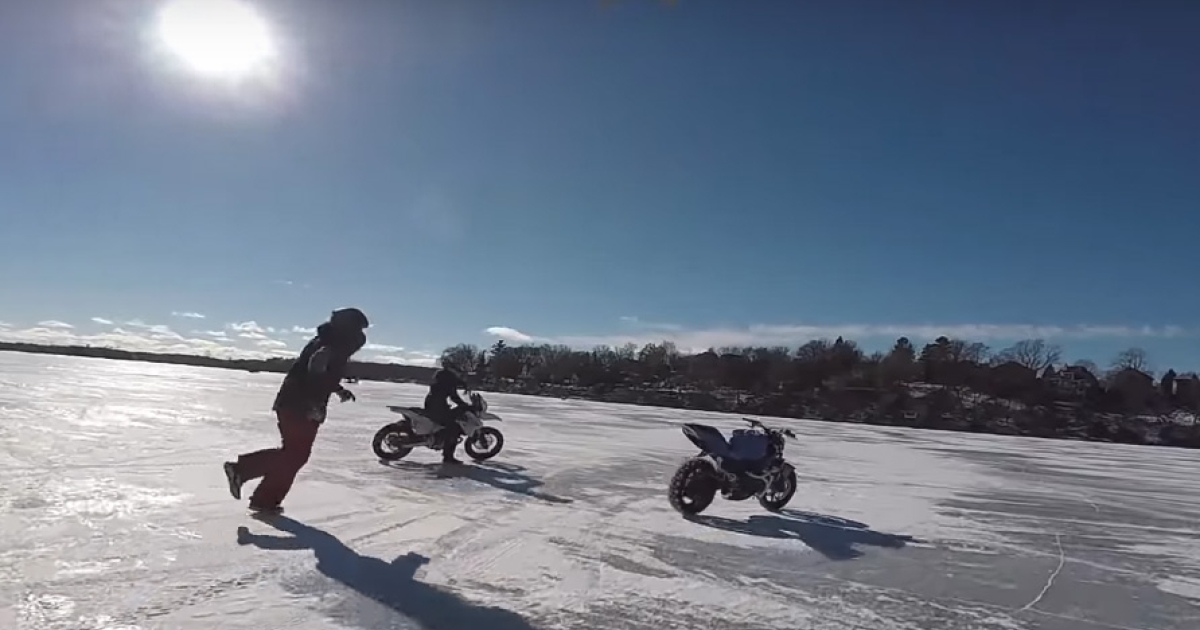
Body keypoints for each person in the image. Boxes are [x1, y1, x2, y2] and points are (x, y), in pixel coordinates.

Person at [223, 307, 370, 513]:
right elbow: (316, 367)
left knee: (294, 454)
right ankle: (244, 472)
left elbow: (320, 372)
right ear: (349, 330)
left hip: (293, 401)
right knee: (295, 454)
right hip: (300, 405)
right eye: (358, 331)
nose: (360, 338)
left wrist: (337, 389)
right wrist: (313, 403)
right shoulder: (334, 344)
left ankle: (264, 499)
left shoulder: (326, 340)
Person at [424, 367, 470, 465]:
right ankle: (448, 456)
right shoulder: (448, 385)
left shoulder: (438, 385)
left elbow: (455, 386)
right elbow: (454, 397)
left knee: (450, 422)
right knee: (454, 428)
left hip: (432, 407)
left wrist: (464, 385)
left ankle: (444, 446)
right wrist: (465, 406)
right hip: (438, 410)